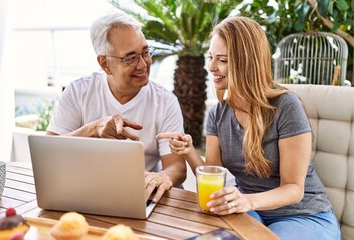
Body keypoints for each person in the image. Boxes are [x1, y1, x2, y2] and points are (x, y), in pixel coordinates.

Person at [157, 16, 341, 239]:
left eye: (222, 60)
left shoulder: (286, 106)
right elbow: (213, 174)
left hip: (302, 215)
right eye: (211, 57)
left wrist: (247, 200)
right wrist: (188, 151)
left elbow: (294, 188)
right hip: (248, 210)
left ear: (247, 62)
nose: (211, 67)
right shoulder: (218, 113)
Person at [46, 10, 186, 203]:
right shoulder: (78, 91)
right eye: (130, 58)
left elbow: (177, 167)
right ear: (104, 64)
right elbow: (48, 153)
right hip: (85, 192)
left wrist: (163, 177)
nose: (143, 64)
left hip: (141, 196)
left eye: (145, 52)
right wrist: (94, 129)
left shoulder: (165, 101)